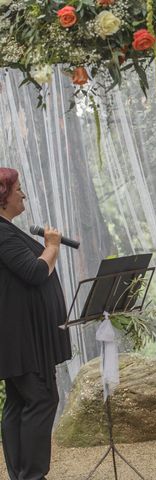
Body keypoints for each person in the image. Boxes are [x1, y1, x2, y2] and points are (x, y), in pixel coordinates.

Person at [0, 167, 72, 480]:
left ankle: (21, 475)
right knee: (41, 398)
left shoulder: (8, 231)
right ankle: (31, 476)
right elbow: (34, 272)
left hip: (22, 337)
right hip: (22, 338)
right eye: (18, 189)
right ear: (3, 196)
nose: (23, 194)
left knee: (19, 402)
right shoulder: (2, 233)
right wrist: (53, 245)